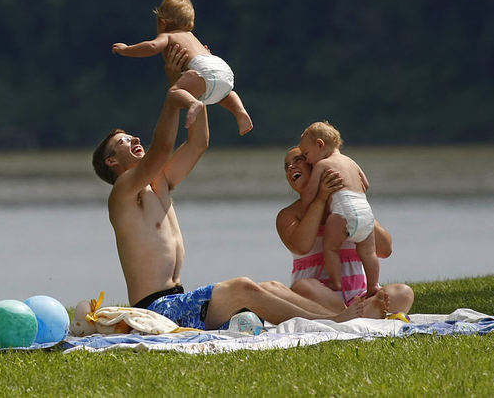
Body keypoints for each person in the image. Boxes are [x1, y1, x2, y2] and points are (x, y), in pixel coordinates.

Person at [89, 49, 374, 330]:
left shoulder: (158, 183)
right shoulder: (123, 192)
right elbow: (162, 148)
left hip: (176, 300)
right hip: (155, 309)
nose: (134, 138)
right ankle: (332, 322)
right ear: (111, 161)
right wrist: (173, 96)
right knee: (242, 287)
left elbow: (198, 142)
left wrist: (192, 82)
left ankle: (346, 316)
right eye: (124, 141)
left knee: (270, 287)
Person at [277, 147, 414, 315]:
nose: (291, 167)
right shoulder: (288, 215)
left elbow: (385, 249)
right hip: (319, 296)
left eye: (298, 160)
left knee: (404, 292)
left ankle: (359, 312)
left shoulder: (349, 209)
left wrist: (356, 200)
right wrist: (320, 199)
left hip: (359, 296)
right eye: (287, 166)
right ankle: (352, 315)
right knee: (301, 287)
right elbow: (301, 246)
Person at [111, 0, 253, 135]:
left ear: (162, 22)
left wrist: (126, 49)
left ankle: (193, 103)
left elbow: (152, 46)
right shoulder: (191, 36)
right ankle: (240, 111)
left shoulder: (168, 35)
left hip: (202, 70)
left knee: (175, 92)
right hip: (221, 67)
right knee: (225, 95)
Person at [297, 123, 382, 298]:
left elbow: (312, 192)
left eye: (306, 154)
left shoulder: (322, 165)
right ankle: (373, 285)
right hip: (365, 211)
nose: (306, 161)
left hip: (343, 211)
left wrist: (307, 199)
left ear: (320, 145)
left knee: (330, 248)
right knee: (368, 252)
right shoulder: (351, 161)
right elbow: (365, 184)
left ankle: (335, 281)